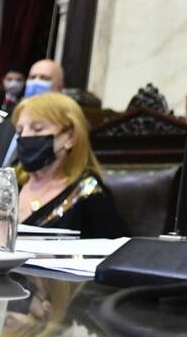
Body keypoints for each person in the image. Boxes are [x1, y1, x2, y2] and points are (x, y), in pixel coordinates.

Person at [12, 92, 126, 238]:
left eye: (38, 129)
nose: (25, 136)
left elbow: (114, 251)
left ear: (70, 137)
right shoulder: (9, 184)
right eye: (20, 131)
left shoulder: (88, 192)